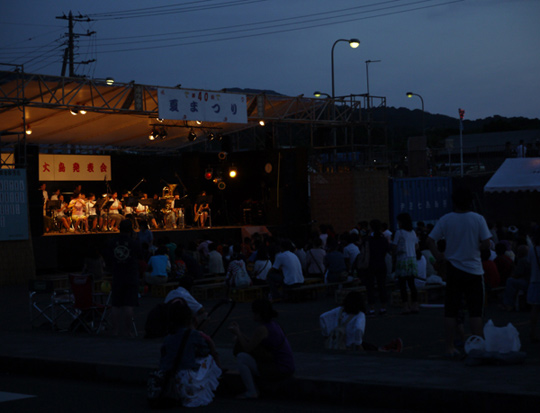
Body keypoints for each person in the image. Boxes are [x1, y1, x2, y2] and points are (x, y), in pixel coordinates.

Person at [427, 187, 492, 358]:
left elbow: (430, 239)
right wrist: (474, 247)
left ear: (454, 201)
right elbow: (486, 243)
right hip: (474, 271)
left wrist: (439, 256)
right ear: (470, 201)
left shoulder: (446, 219)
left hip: (453, 270)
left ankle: (449, 347)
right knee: (475, 311)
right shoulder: (478, 219)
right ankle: (478, 347)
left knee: (451, 310)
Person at [228, 299, 295, 399]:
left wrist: (238, 333)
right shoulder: (274, 325)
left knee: (242, 357)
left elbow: (247, 348)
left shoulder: (262, 329)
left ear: (259, 314)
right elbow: (253, 342)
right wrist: (240, 334)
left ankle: (252, 391)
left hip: (278, 368)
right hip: (286, 365)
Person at [159, 301, 221, 407]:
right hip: (185, 376)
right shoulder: (193, 335)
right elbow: (205, 351)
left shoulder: (168, 337)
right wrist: (211, 344)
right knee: (209, 359)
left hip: (169, 376)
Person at [319, 291, 402, 352]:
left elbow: (322, 317)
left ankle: (385, 348)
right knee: (368, 347)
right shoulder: (359, 315)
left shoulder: (339, 310)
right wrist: (358, 344)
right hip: (350, 346)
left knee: (369, 346)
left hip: (336, 342)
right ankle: (387, 349)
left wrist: (326, 334)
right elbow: (358, 329)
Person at [104, 219, 142, 337]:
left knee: (115, 304)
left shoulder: (112, 242)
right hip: (130, 275)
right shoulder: (133, 243)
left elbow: (108, 258)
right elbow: (140, 256)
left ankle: (114, 331)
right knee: (128, 305)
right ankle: (127, 331)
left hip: (117, 275)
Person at [393, 213, 419, 314]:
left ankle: (405, 306)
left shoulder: (399, 233)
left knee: (402, 284)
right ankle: (415, 305)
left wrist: (394, 255)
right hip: (412, 259)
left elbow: (394, 247)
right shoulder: (412, 232)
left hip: (402, 259)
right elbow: (417, 246)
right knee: (412, 284)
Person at [365, 219, 390, 316]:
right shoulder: (383, 239)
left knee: (370, 287)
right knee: (382, 286)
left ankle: (371, 307)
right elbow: (387, 250)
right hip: (381, 263)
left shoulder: (368, 240)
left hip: (371, 264)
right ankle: (383, 306)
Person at [502, 244, 530, 311]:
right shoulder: (528, 259)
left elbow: (517, 274)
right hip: (530, 281)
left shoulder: (522, 260)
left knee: (510, 281)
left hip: (526, 282)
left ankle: (509, 304)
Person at [527, 228, 540, 342]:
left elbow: (529, 263)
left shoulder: (532, 250)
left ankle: (533, 332)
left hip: (534, 281)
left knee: (534, 309)